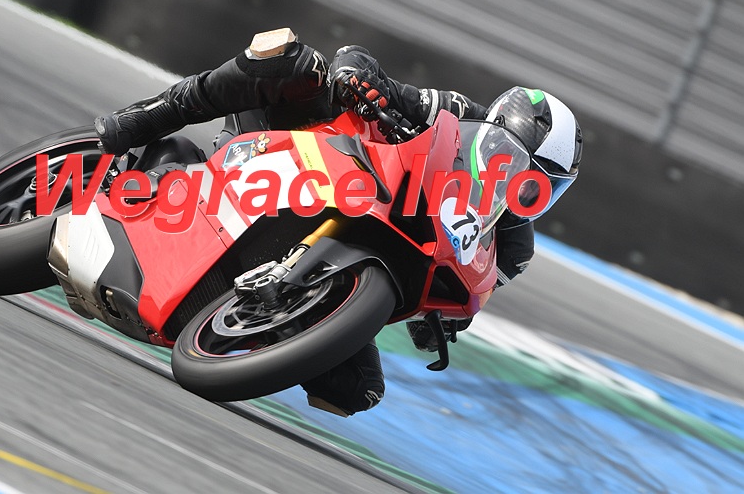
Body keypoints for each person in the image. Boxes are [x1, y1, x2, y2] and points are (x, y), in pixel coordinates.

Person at [95, 28, 582, 417]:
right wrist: (357, 80)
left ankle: (244, 314)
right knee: (295, 60)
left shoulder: (512, 247)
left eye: (539, 186)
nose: (518, 183)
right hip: (309, 154)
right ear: (494, 127)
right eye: (514, 161)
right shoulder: (457, 113)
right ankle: (150, 117)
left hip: (369, 243)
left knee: (356, 390)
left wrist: (442, 320)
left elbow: (462, 301)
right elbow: (358, 59)